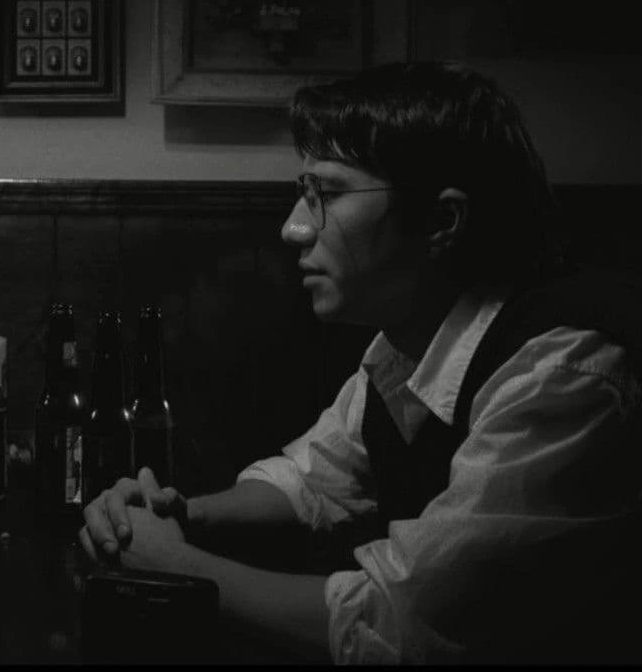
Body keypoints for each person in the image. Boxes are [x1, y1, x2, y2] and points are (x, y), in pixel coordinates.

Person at [80, 61, 642, 664]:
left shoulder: (564, 373)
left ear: (442, 221)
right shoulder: (409, 341)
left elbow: (403, 622)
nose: (293, 228)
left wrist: (174, 565)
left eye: (326, 194)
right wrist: (175, 513)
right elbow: (316, 476)